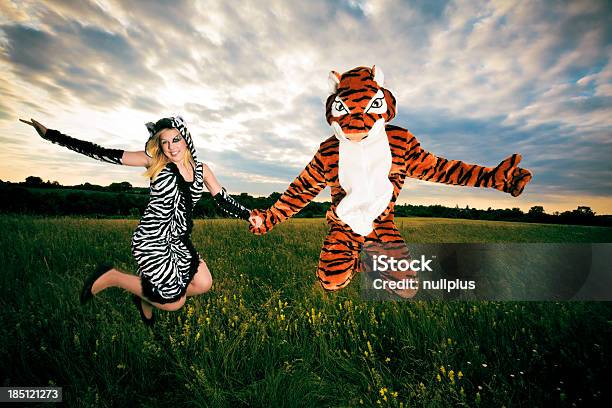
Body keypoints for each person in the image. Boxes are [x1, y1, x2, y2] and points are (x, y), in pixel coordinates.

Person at [21, 116, 258, 326]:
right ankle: (113, 277)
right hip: (152, 239)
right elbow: (104, 153)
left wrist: (249, 215)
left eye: (175, 139)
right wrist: (51, 136)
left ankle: (147, 295)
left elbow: (223, 199)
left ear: (185, 139)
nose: (170, 147)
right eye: (164, 142)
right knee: (174, 303)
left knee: (204, 283)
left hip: (178, 240)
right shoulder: (154, 162)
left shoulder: (201, 170)